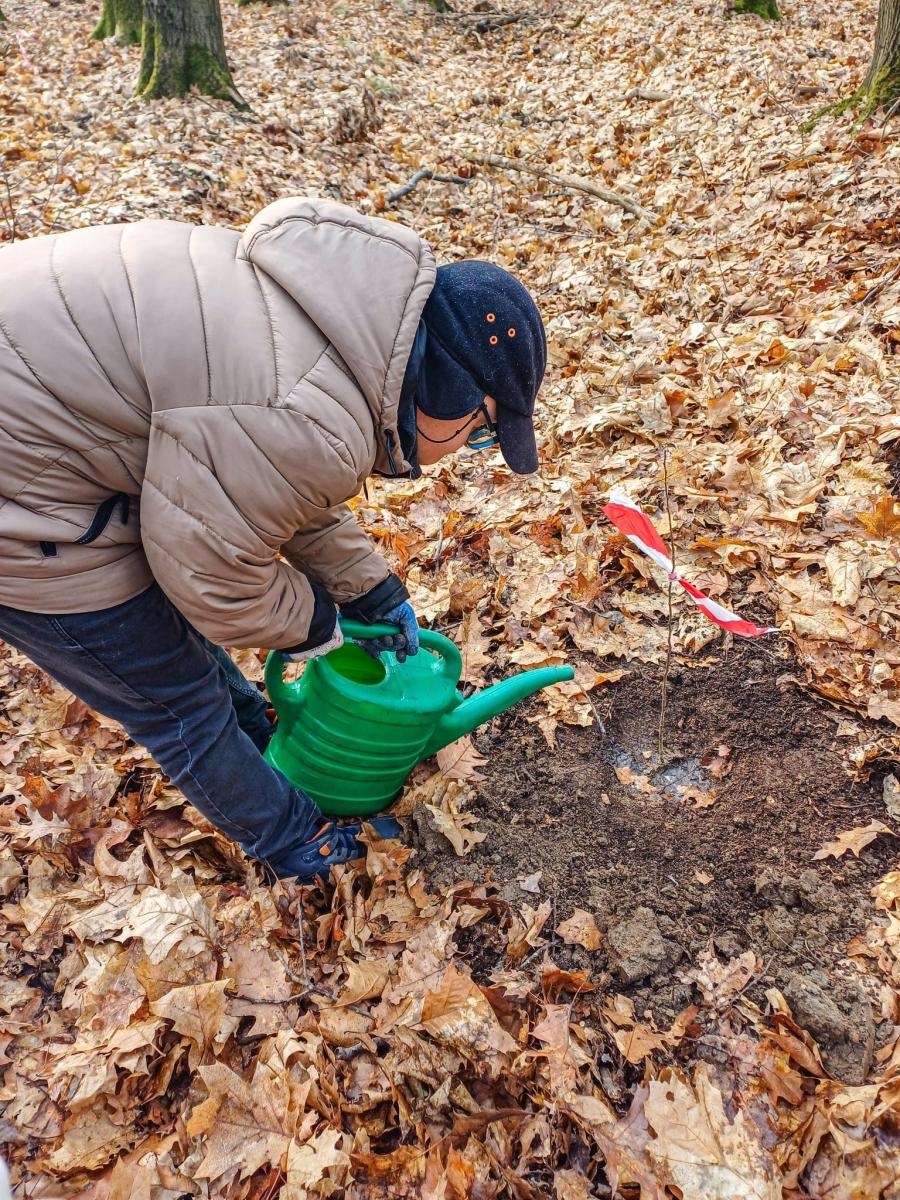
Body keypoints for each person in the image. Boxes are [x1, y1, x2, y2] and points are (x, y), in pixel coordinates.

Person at [0, 198, 547, 881]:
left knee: (180, 656)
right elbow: (215, 578)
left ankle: (256, 741)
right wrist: (321, 624)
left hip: (41, 430)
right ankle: (296, 842)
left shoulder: (335, 326)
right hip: (23, 503)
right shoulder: (304, 410)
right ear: (448, 391)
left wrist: (370, 592)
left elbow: (261, 483)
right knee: (177, 703)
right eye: (485, 432)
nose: (471, 447)